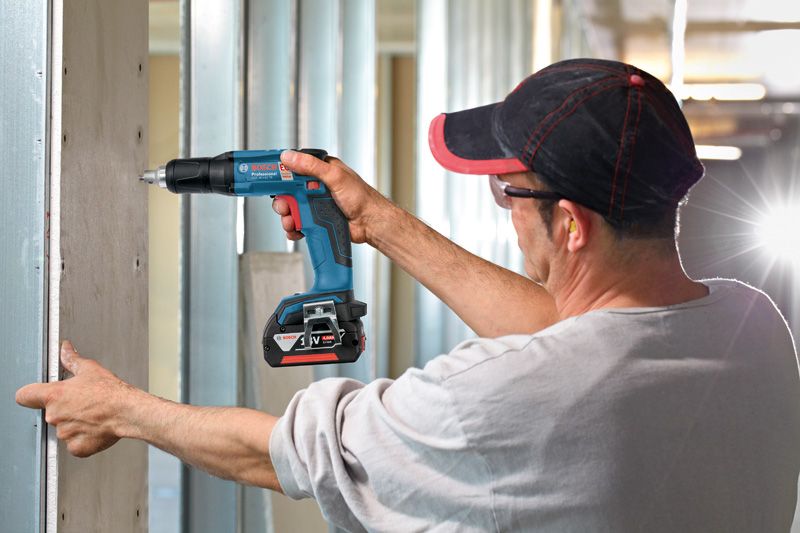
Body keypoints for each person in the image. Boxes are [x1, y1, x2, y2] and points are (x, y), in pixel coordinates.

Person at [16, 58, 800, 532]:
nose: (506, 214)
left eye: (508, 193)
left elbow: (281, 454)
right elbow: (581, 337)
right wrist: (380, 223)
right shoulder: (753, 328)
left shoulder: (493, 399)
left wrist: (120, 409)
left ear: (569, 224)